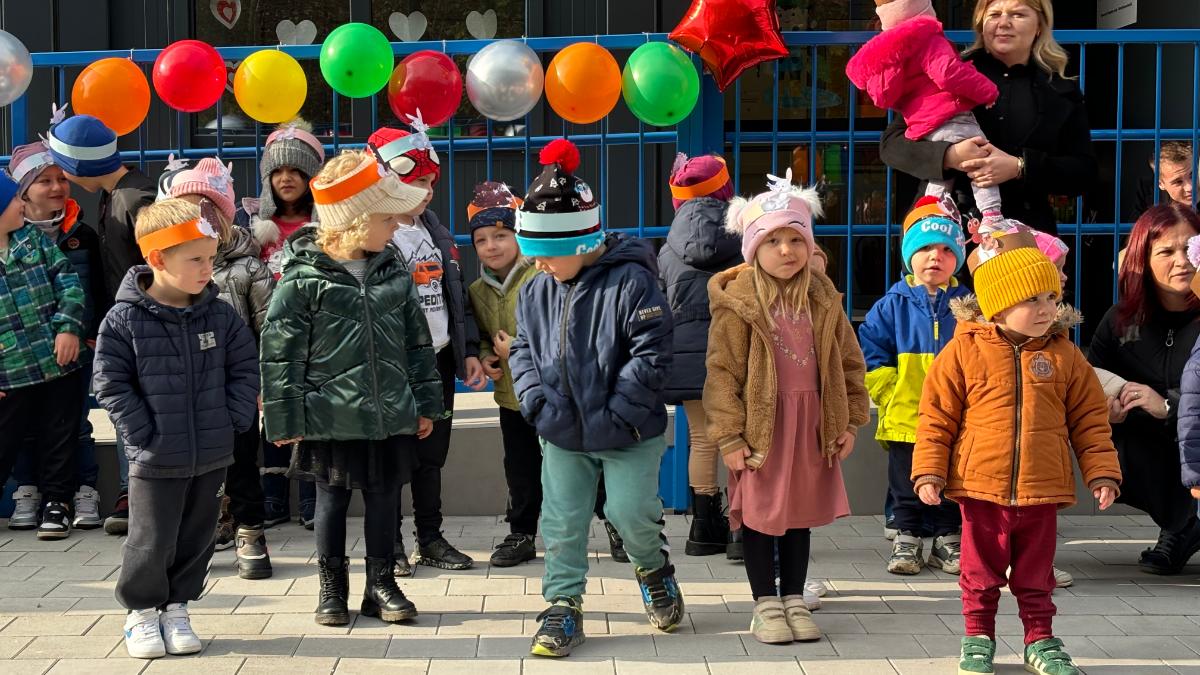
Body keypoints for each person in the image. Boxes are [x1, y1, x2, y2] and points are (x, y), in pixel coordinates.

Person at [914, 225, 1120, 675]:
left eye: (1051, 297)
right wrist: (929, 470)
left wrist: (1102, 471)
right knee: (979, 571)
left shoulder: (1066, 356)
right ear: (999, 305)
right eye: (1032, 300)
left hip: (1042, 488)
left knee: (1036, 574)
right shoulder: (963, 352)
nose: (1047, 308)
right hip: (980, 488)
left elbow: (1090, 419)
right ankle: (978, 635)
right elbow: (936, 416)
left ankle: (1040, 639)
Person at [509, 139, 684, 657]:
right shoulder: (535, 288)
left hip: (628, 430)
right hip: (562, 428)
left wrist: (618, 413)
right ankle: (563, 605)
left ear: (582, 241)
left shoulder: (633, 282)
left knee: (631, 514)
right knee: (561, 523)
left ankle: (653, 569)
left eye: (546, 254)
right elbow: (522, 348)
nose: (537, 263)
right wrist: (535, 401)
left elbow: (652, 353)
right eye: (531, 253)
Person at [259, 150, 440, 627]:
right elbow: (280, 355)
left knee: (384, 496)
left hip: (388, 412)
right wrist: (284, 417)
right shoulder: (302, 279)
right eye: (387, 218)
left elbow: (417, 342)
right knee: (332, 500)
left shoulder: (393, 270)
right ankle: (331, 586)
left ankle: (381, 584)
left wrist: (425, 403)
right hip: (330, 416)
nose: (395, 226)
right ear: (356, 221)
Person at [703, 171, 868, 645]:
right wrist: (729, 435)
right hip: (763, 428)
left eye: (795, 239)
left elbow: (849, 364)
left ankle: (794, 597)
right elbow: (721, 373)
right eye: (772, 241)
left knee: (799, 516)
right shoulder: (739, 304)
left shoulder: (823, 300)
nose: (786, 250)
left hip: (810, 426)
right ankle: (765, 604)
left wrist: (849, 421)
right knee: (761, 516)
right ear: (754, 248)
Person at [93, 198, 259, 659]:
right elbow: (110, 382)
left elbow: (245, 368)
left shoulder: (220, 315)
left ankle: (177, 606)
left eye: (211, 258)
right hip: (155, 456)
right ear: (158, 259)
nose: (208, 269)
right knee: (151, 539)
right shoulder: (124, 319)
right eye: (196, 260)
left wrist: (233, 418)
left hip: (212, 451)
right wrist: (140, 432)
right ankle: (142, 611)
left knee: (197, 535)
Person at [368, 114, 487, 575]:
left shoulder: (435, 230)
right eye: (417, 182)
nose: (427, 191)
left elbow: (456, 298)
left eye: (431, 183)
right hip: (395, 363)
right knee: (393, 455)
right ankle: (391, 543)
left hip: (437, 360)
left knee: (431, 455)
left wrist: (467, 350)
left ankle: (430, 538)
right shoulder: (375, 234)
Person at [879, 0, 1095, 236]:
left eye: (1018, 14)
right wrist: (948, 156)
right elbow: (891, 145)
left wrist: (1020, 167)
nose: (1004, 23)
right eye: (994, 14)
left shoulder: (1061, 90)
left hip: (1026, 236)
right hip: (945, 232)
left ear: (1040, 26)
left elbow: (1084, 172)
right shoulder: (948, 71)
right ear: (981, 24)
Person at [47, 113, 158, 535]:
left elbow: (158, 267)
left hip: (148, 330)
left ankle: (143, 495)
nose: (65, 179)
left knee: (141, 413)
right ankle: (134, 493)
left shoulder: (137, 199)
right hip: (131, 328)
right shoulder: (116, 194)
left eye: (65, 168)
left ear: (80, 166)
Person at [168, 157, 275, 580]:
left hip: (235, 385)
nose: (198, 218)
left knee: (242, 461)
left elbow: (269, 328)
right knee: (192, 468)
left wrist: (264, 381)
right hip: (186, 387)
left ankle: (251, 530)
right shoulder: (171, 272)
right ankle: (201, 531)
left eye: (207, 208)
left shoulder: (247, 268)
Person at [857, 196, 969, 577]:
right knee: (906, 482)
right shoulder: (892, 304)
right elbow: (872, 353)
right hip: (907, 414)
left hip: (955, 416)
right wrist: (890, 393)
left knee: (950, 479)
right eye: (925, 248)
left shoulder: (968, 305)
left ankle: (946, 536)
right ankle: (907, 535)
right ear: (909, 255)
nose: (935, 256)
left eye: (946, 250)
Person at [1089, 203, 1200, 574]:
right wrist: (1105, 409)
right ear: (1142, 259)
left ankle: (1182, 525)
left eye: (1190, 248)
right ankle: (1181, 525)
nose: (1182, 261)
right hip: (1149, 441)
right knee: (1114, 446)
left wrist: (1167, 405)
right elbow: (1090, 382)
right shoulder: (1120, 321)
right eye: (1166, 252)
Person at [8, 141, 108, 532]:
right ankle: (28, 490)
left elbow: (92, 288)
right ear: (23, 191)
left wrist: (89, 333)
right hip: (22, 357)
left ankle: (78, 490)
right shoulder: (14, 235)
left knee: (73, 423)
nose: (56, 187)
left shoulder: (81, 234)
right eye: (44, 181)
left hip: (72, 351)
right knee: (25, 427)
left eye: (61, 179)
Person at [235, 119, 324, 530]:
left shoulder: (325, 226)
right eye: (278, 171)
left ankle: (311, 496)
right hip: (266, 338)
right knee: (271, 414)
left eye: (296, 171)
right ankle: (272, 496)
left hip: (315, 338)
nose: (286, 178)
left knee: (311, 416)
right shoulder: (253, 229)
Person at [847, 0, 1002, 223]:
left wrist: (946, 156)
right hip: (951, 113)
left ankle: (932, 213)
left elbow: (883, 96)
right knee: (981, 161)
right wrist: (988, 91)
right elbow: (947, 73)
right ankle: (992, 214)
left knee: (939, 178)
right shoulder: (928, 37)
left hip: (922, 125)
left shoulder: (894, 52)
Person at [657, 152, 742, 558]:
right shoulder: (745, 234)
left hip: (686, 355)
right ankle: (743, 530)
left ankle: (704, 528)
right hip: (735, 351)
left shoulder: (668, 247)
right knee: (744, 438)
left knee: (703, 439)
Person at [0, 172, 86, 540]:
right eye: (13, 200)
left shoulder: (33, 240)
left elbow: (68, 282)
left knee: (60, 435)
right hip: (10, 372)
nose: (21, 205)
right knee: (5, 439)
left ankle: (57, 502)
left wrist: (68, 327)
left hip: (58, 363)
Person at [464, 180, 545, 567]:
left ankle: (613, 524)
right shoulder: (477, 290)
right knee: (520, 469)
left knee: (581, 464)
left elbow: (558, 330)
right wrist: (485, 355)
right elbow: (482, 335)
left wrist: (518, 348)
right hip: (511, 398)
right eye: (481, 240)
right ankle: (522, 533)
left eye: (500, 235)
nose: (491, 246)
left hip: (552, 393)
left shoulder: (541, 275)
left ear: (518, 236)